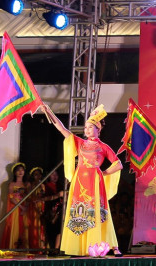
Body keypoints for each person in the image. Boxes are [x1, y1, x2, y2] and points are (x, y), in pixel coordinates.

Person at [42, 104, 122, 256]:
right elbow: (62, 129)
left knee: (96, 213)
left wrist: (103, 173)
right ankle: (80, 247)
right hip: (79, 182)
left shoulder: (103, 147)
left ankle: (109, 246)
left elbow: (118, 164)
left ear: (98, 129)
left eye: (90, 127)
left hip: (94, 183)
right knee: (80, 213)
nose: (87, 130)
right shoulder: (80, 143)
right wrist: (49, 112)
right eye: (85, 127)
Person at [0, 162, 28, 250]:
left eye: (22, 170)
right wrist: (22, 207)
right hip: (15, 208)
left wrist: (26, 207)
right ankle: (13, 248)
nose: (20, 172)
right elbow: (11, 198)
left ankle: (23, 249)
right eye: (18, 170)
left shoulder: (27, 184)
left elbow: (29, 197)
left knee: (24, 228)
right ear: (14, 172)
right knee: (14, 227)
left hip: (25, 208)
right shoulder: (12, 184)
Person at [40, 169, 66, 250]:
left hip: (60, 211)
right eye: (52, 174)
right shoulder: (45, 186)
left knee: (59, 230)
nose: (55, 176)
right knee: (50, 230)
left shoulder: (61, 185)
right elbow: (43, 198)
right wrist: (56, 196)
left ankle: (56, 248)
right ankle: (51, 248)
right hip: (50, 210)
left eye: (56, 174)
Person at [24, 166, 47, 249]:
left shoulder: (42, 185)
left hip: (41, 205)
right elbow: (29, 196)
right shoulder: (30, 185)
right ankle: (33, 244)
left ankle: (42, 245)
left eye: (39, 174)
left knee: (41, 225)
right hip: (33, 206)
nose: (37, 176)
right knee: (33, 224)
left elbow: (44, 195)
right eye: (35, 174)